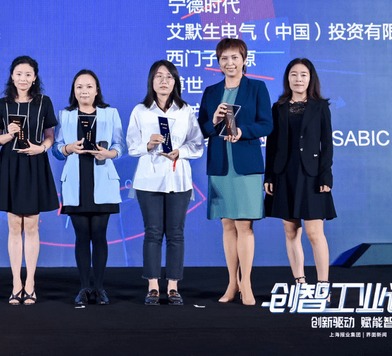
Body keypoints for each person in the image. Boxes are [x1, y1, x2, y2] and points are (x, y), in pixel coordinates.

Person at [198, 38, 272, 306]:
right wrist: (214, 121)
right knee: (227, 224)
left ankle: (247, 283)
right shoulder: (211, 92)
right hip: (220, 165)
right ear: (218, 63)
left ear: (244, 60)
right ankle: (232, 283)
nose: (229, 63)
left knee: (244, 225)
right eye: (224, 58)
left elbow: (267, 124)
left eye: (234, 57)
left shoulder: (256, 88)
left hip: (246, 166)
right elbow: (202, 128)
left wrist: (242, 131)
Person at [126, 60, 203, 306]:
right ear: (151, 80)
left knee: (176, 234)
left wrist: (180, 152)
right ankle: (152, 286)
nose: (164, 81)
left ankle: (172, 287)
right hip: (148, 181)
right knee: (153, 232)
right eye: (159, 76)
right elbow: (131, 146)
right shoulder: (141, 110)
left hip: (178, 180)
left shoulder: (185, 110)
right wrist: (148, 145)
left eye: (169, 76)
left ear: (175, 82)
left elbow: (197, 144)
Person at [0, 56, 59, 305]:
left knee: (31, 226)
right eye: (19, 74)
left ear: (35, 78)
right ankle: (15, 283)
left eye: (28, 74)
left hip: (34, 164)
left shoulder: (43, 102)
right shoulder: (3, 104)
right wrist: (8, 136)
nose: (23, 78)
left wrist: (42, 148)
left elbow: (50, 134)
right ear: (12, 76)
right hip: (10, 165)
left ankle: (30, 283)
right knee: (13, 226)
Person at [52, 69, 124, 306]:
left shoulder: (110, 113)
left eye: (89, 86)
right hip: (76, 181)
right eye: (79, 87)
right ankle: (84, 288)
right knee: (82, 236)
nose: (84, 91)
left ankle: (99, 288)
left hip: (102, 179)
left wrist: (109, 153)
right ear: (74, 91)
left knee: (99, 235)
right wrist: (68, 148)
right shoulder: (65, 115)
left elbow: (120, 145)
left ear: (97, 90)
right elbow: (57, 150)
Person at [264, 58, 336, 290]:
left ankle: (323, 286)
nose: (298, 79)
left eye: (303, 74)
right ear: (287, 78)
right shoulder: (278, 107)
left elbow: (327, 144)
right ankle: (300, 283)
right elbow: (272, 145)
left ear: (310, 78)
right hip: (284, 173)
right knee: (290, 231)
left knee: (315, 233)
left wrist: (325, 176)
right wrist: (269, 176)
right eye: (293, 74)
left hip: (312, 175)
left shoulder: (320, 106)